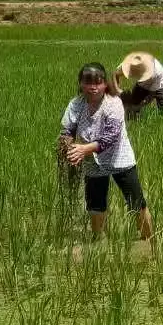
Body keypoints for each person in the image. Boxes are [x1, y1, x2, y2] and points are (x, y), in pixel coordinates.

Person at [59, 62, 153, 241]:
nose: (93, 87)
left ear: (105, 84)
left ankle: (149, 240)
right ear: (80, 83)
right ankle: (98, 242)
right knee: (95, 205)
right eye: (88, 82)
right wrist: (68, 147)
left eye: (98, 82)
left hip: (119, 158)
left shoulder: (113, 103)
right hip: (91, 161)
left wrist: (83, 149)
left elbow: (110, 137)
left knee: (136, 202)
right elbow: (67, 130)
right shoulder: (75, 105)